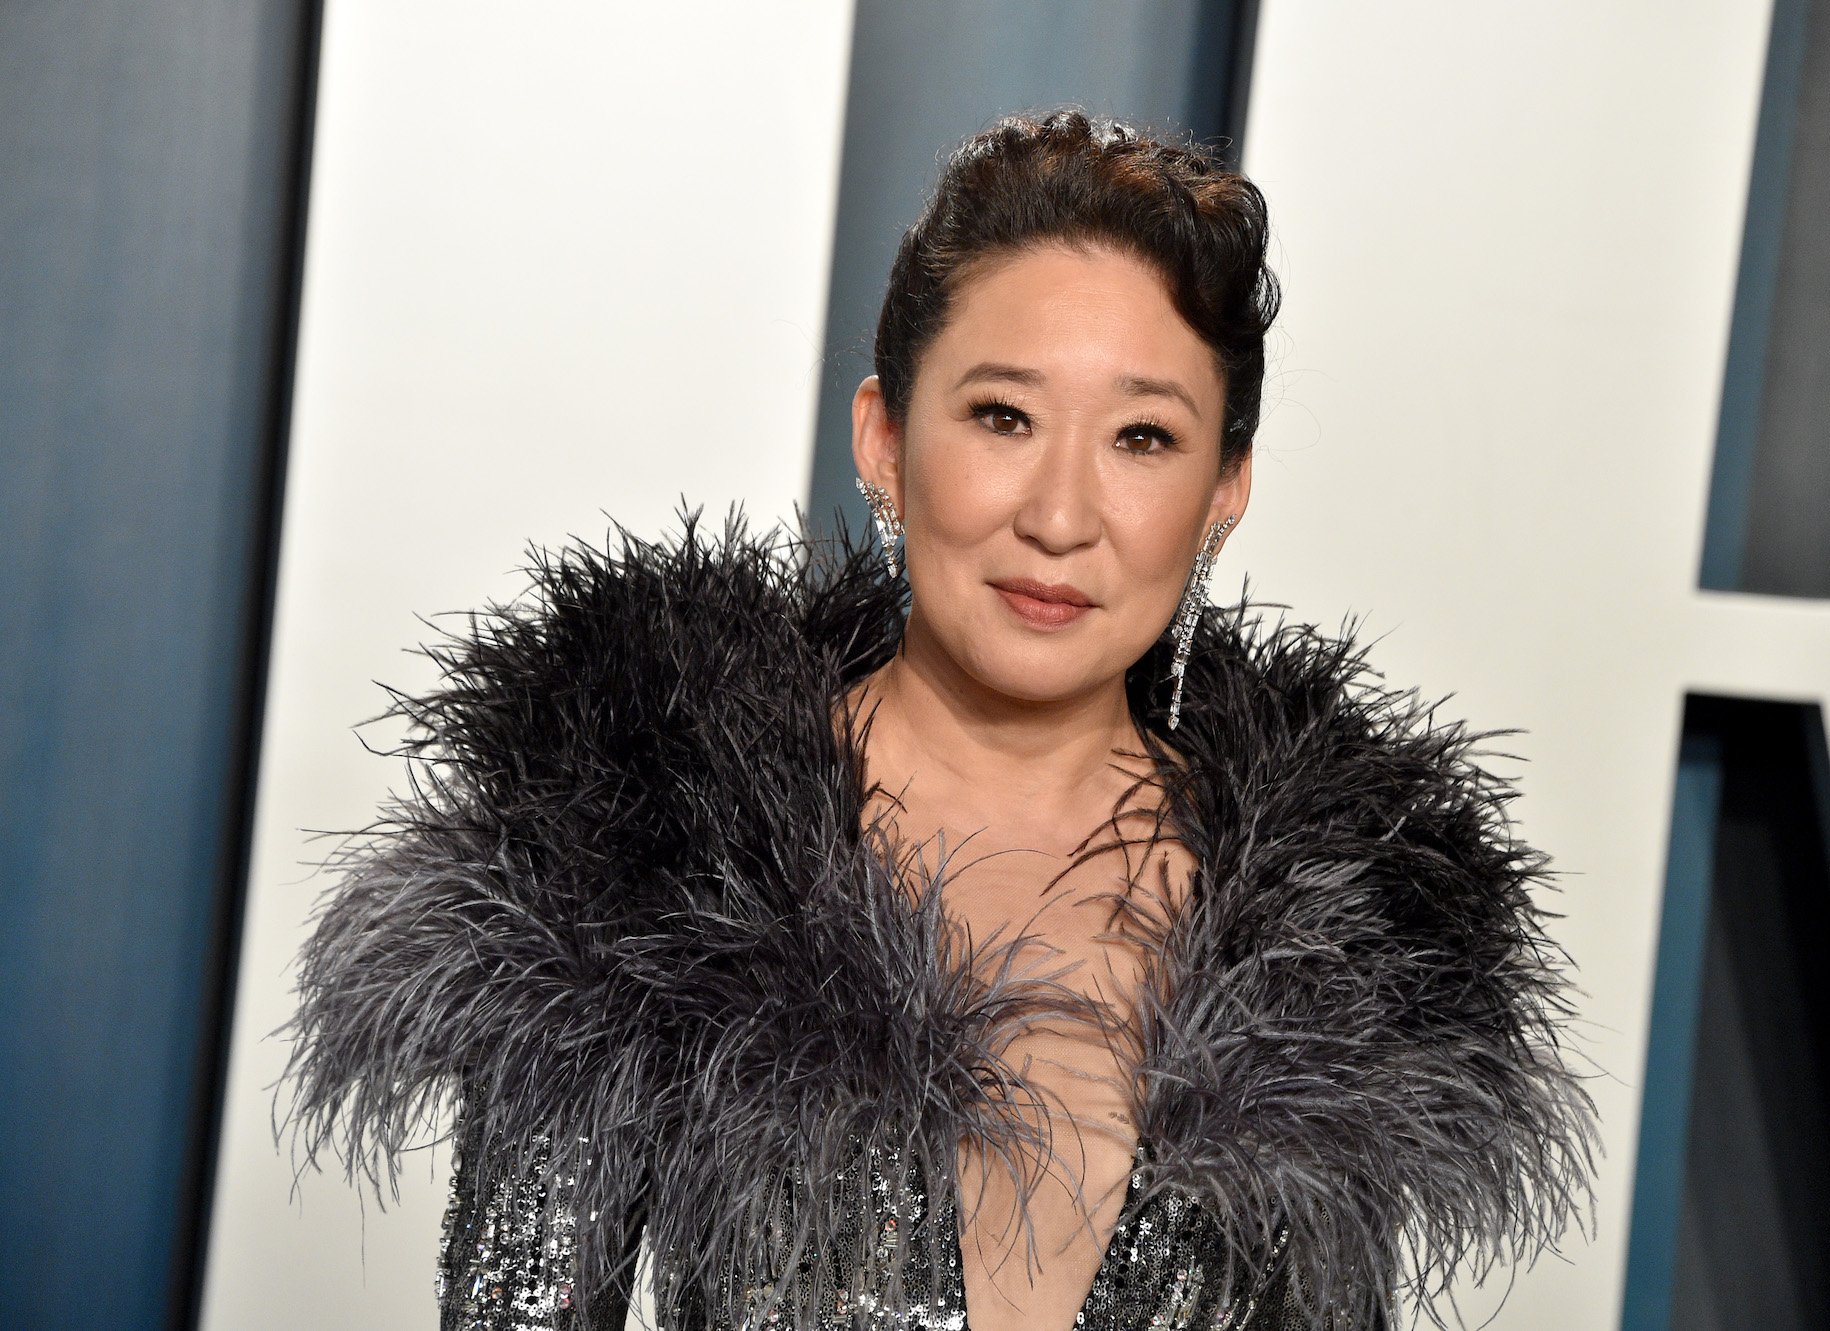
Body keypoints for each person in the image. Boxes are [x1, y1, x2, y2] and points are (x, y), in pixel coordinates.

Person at [281, 109, 1594, 1331]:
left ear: (1226, 489)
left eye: (1142, 439)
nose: (1063, 515)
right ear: (884, 440)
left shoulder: (1342, 954)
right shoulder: (649, 856)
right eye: (1004, 417)